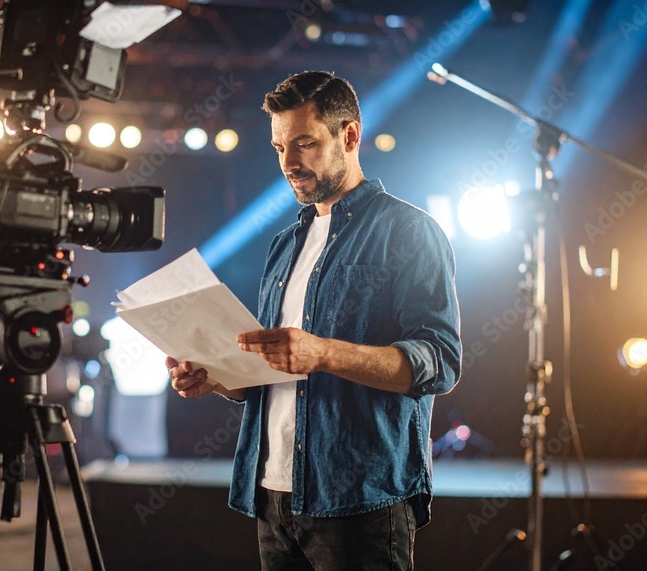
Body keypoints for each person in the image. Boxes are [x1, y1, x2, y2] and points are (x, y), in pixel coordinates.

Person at [166, 71, 461, 570]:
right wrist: (219, 379)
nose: (288, 163)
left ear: (349, 136)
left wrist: (323, 352)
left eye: (304, 143)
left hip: (361, 502)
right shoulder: (286, 244)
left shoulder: (410, 231)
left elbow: (440, 362)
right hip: (274, 498)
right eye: (279, 146)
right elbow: (273, 374)